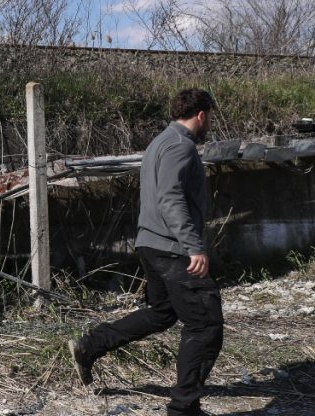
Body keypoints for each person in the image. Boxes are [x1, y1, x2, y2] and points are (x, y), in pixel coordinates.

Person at [69, 88, 223, 416]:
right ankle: (184, 408)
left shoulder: (159, 142)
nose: (209, 121)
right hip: (173, 249)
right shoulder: (181, 146)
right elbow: (170, 197)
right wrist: (194, 246)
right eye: (209, 116)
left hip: (151, 244)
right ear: (201, 115)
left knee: (161, 313)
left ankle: (90, 346)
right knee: (205, 324)